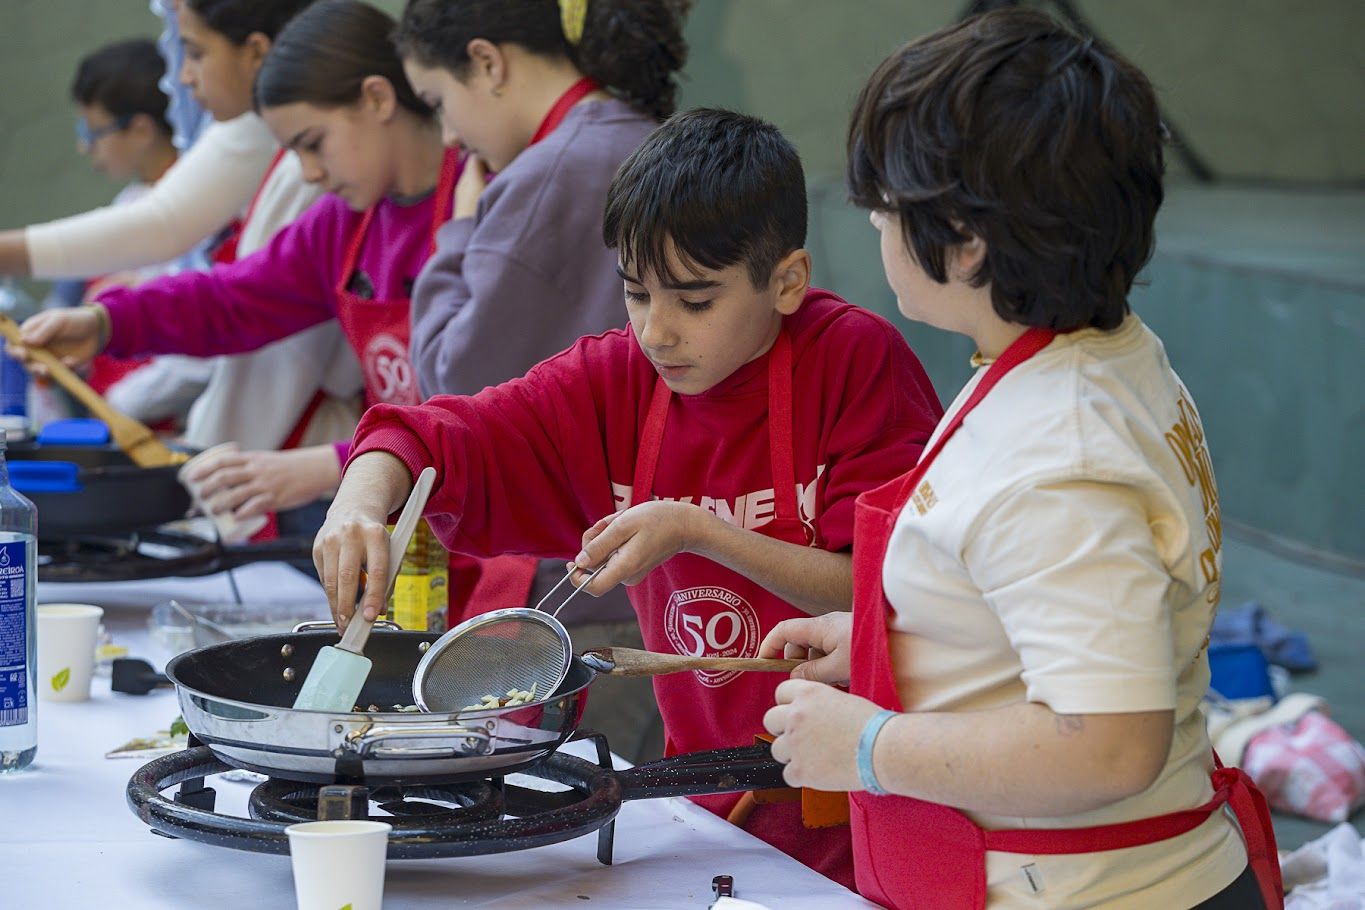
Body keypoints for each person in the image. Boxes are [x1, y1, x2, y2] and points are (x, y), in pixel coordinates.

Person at [310, 108, 944, 886]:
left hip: (854, 799)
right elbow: (436, 436)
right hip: (702, 796)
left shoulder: (854, 361)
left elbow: (883, 592)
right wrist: (360, 499)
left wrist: (698, 531)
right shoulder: (612, 382)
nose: (657, 332)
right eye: (637, 294)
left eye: (695, 301)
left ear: (787, 281)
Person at [758, 10, 1281, 909]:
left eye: (886, 207)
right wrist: (902, 644)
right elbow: (1037, 597)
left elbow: (1106, 743)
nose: (877, 227)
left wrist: (870, 746)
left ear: (965, 241)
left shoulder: (1059, 457)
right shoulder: (1088, 353)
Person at [11, 0, 454, 530]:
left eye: (314, 145)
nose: (310, 174)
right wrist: (106, 323)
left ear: (378, 98)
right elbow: (236, 299)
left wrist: (328, 465)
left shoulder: (472, 209)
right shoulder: (345, 220)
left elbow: (481, 410)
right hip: (413, 523)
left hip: (485, 531)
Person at [391, 0, 691, 760]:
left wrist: (459, 226)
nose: (450, 135)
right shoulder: (641, 138)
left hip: (587, 587)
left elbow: (451, 381)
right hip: (666, 563)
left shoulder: (547, 170)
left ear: (488, 64)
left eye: (438, 102)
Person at [1, 0, 360, 473]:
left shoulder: (306, 177)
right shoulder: (302, 177)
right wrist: (106, 324)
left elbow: (179, 241)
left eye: (194, 53)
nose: (183, 79)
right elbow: (236, 301)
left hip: (295, 465)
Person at [64, 37, 210, 430]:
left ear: (141, 129)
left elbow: (199, 353)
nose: (84, 146)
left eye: (93, 131)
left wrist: (114, 407)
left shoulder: (202, 210)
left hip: (169, 430)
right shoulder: (129, 202)